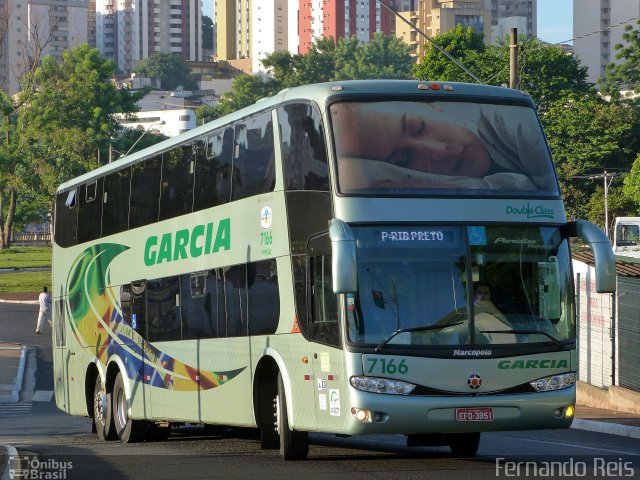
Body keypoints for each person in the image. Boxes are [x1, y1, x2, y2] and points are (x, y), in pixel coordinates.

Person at [330, 101, 556, 192]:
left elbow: (545, 200)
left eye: (419, 127)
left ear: (434, 109)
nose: (439, 151)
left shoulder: (512, 120)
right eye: (404, 160)